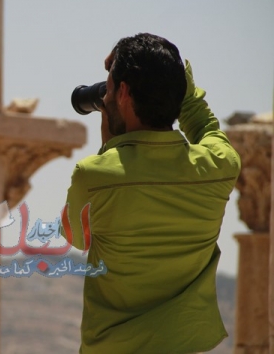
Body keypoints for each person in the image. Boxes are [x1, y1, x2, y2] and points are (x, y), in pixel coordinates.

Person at [65, 33, 240, 353]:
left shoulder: (92, 176)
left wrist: (110, 149)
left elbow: (76, 237)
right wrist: (182, 84)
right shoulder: (219, 166)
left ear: (123, 93)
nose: (104, 98)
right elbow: (205, 125)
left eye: (109, 90)